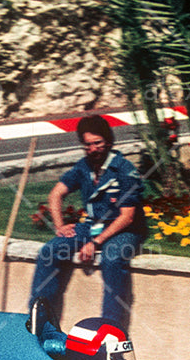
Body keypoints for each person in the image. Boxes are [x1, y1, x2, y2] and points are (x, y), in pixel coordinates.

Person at [29, 115, 146, 329]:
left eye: (98, 143)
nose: (93, 149)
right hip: (92, 225)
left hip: (124, 229)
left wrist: (96, 243)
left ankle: (109, 332)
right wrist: (59, 226)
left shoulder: (124, 170)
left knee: (111, 259)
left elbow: (127, 216)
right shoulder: (83, 167)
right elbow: (56, 194)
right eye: (88, 145)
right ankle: (39, 323)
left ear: (108, 142)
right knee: (49, 251)